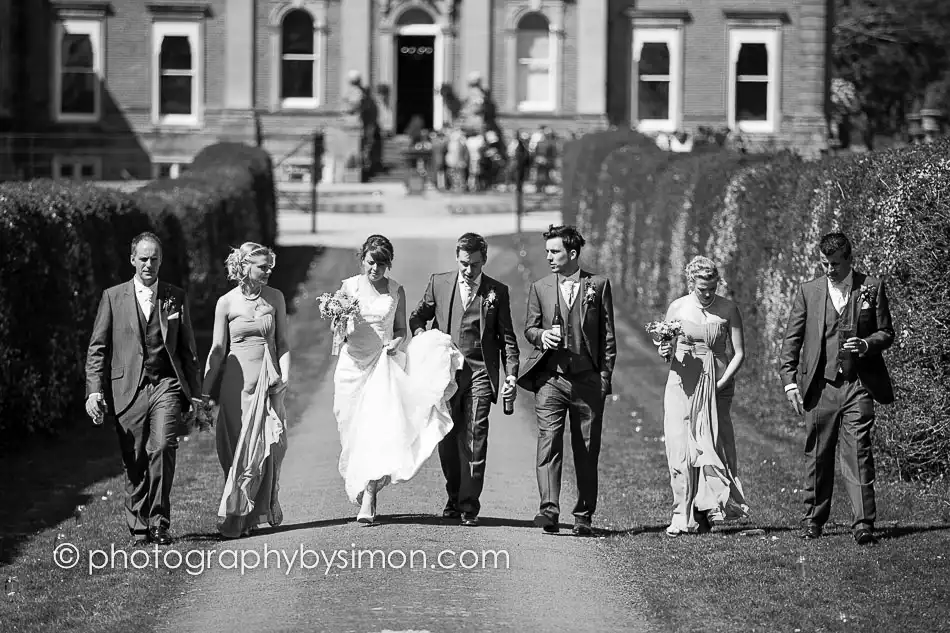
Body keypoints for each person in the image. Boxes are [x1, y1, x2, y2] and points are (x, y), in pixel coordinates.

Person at [333, 235, 464, 524]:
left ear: (388, 264)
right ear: (362, 259)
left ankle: (369, 496)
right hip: (352, 367)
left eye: (381, 264)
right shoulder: (348, 287)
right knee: (351, 429)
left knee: (375, 430)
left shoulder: (396, 290)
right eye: (370, 262)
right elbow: (338, 331)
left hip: (382, 364)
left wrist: (397, 342)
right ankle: (362, 478)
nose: (375, 269)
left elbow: (402, 328)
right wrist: (338, 321)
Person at [84, 232, 201, 546]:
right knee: (134, 460)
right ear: (132, 259)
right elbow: (98, 348)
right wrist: (94, 391)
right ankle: (138, 526)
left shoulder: (175, 296)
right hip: (127, 388)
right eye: (143, 258)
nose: (149, 264)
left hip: (166, 385)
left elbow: (188, 351)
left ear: (161, 260)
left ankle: (160, 522)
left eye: (154, 258)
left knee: (163, 448)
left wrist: (196, 395)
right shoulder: (113, 297)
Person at [779, 232, 895, 545]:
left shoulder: (870, 287)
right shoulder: (809, 291)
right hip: (821, 385)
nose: (829, 269)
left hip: (859, 384)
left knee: (859, 451)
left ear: (848, 259)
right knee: (818, 453)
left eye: (834, 263)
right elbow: (792, 338)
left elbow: (886, 332)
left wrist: (868, 344)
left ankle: (863, 525)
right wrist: (790, 381)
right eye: (825, 263)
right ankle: (813, 520)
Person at [409, 233, 520, 527]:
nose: (468, 270)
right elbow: (417, 317)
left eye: (473, 264)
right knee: (447, 438)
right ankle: (454, 496)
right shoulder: (439, 283)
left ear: (484, 260)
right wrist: (423, 337)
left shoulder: (497, 292)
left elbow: (507, 338)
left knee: (475, 436)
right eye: (463, 264)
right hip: (445, 375)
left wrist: (511, 373)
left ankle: (470, 505)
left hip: (480, 373)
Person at [517, 225, 616, 536]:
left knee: (587, 450)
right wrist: (541, 335)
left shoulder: (598, 286)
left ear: (572, 254)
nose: (548, 256)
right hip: (551, 380)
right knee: (548, 445)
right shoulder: (540, 287)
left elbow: (608, 337)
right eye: (547, 251)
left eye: (554, 251)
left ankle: (583, 515)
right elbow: (529, 328)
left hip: (587, 381)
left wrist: (602, 379)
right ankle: (549, 510)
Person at [201, 243, 290, 538]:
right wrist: (204, 393)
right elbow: (216, 349)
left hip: (267, 381)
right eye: (262, 266)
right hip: (235, 387)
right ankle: (237, 513)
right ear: (245, 266)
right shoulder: (226, 302)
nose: (268, 272)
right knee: (237, 451)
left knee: (266, 448)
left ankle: (257, 510)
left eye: (270, 267)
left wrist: (284, 377)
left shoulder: (275, 297)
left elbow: (283, 342)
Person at [656, 256, 749, 536]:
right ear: (691, 284)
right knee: (680, 447)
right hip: (682, 384)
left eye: (712, 288)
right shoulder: (678, 307)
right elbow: (666, 345)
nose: (707, 294)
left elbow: (739, 353)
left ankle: (712, 507)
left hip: (717, 384)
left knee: (711, 445)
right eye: (702, 289)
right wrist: (664, 350)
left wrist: (721, 383)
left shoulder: (728, 309)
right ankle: (680, 514)